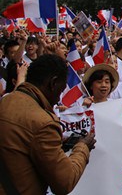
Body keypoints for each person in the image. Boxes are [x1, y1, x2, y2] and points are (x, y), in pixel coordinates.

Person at [0, 54, 96, 194]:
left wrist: (58, 144)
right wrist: (83, 147)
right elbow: (65, 182)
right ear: (53, 83)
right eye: (61, 89)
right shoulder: (43, 123)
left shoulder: (7, 100)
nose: (59, 98)